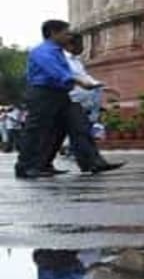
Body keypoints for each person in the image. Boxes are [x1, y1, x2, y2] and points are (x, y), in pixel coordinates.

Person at [13, 20, 123, 179]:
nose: (69, 36)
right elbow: (56, 72)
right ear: (53, 33)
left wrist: (90, 84)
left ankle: (92, 162)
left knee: (78, 125)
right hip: (43, 94)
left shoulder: (58, 51)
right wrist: (79, 82)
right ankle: (25, 166)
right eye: (66, 33)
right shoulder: (42, 51)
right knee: (36, 130)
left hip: (61, 94)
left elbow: (67, 73)